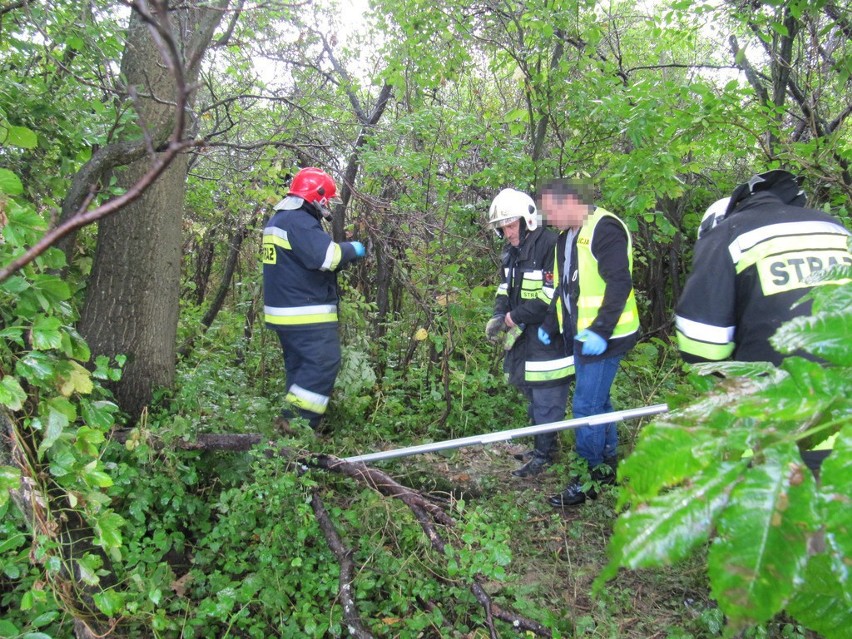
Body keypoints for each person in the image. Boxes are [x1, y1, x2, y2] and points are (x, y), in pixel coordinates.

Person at [675, 169, 851, 472]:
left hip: (780, 415)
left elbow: (702, 345)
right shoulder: (834, 227)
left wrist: (729, 377)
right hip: (843, 403)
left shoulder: (728, 235)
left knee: (776, 504)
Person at [537, 179, 639, 506]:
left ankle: (589, 478)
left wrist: (600, 330)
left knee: (586, 406)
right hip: (580, 336)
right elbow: (561, 288)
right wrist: (551, 325)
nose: (548, 219)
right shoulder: (564, 238)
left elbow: (619, 283)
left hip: (606, 337)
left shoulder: (604, 228)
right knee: (600, 400)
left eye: (551, 211)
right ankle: (608, 461)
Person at [262, 167, 366, 432]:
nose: (328, 205)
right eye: (327, 199)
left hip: (285, 313)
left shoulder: (279, 220)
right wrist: (352, 249)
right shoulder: (297, 221)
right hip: (304, 314)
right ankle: (296, 426)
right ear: (317, 197)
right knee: (322, 363)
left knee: (301, 370)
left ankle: (292, 431)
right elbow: (326, 258)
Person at [485, 188, 574, 477]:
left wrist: (512, 317)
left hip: (549, 334)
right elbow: (505, 288)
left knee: (548, 396)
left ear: (527, 220)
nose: (507, 232)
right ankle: (542, 447)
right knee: (531, 393)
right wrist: (499, 314)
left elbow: (552, 295)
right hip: (524, 335)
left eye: (511, 225)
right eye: (503, 227)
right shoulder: (512, 252)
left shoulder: (550, 244)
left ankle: (545, 456)